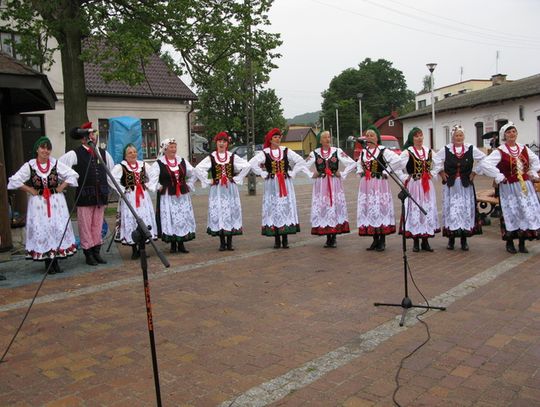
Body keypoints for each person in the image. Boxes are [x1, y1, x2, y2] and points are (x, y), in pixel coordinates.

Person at [8, 137, 78, 273]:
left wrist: (61, 187)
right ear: (37, 149)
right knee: (44, 228)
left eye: (48, 148)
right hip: (39, 203)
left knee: (56, 228)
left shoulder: (55, 164)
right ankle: (48, 262)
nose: (46, 151)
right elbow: (14, 180)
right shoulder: (30, 165)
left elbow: (72, 175)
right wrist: (29, 189)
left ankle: (55, 259)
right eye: (43, 147)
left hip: (56, 202)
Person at [477, 122, 540, 253]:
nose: (512, 134)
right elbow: (485, 164)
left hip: (524, 186)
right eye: (509, 132)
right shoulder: (500, 151)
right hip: (509, 187)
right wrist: (498, 175)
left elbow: (535, 160)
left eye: (514, 131)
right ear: (504, 135)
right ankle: (510, 242)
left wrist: (532, 173)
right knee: (511, 212)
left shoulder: (523, 148)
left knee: (524, 211)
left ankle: (522, 243)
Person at [59, 122, 114, 266]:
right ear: (83, 138)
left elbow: (111, 173)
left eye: (94, 135)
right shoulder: (74, 154)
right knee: (85, 226)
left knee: (97, 224)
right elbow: (59, 168)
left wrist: (114, 189)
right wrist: (63, 185)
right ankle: (88, 253)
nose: (93, 137)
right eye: (90, 135)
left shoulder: (103, 153)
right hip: (84, 196)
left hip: (100, 195)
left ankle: (96, 252)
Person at [248, 128, 309, 249]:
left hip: (285, 183)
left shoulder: (286, 151)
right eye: (275, 137)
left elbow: (300, 161)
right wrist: (262, 173)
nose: (278, 139)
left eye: (279, 137)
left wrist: (293, 172)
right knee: (274, 207)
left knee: (285, 207)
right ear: (270, 139)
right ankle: (276, 239)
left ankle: (285, 239)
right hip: (272, 184)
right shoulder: (265, 152)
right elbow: (251, 163)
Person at [433, 125, 486, 251]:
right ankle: (451, 239)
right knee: (452, 210)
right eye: (456, 135)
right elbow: (434, 160)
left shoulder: (470, 148)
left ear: (464, 136)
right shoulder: (446, 149)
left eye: (461, 135)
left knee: (464, 210)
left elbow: (484, 159)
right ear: (452, 136)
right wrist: (441, 172)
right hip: (451, 186)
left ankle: (464, 239)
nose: (459, 137)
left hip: (465, 185)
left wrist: (475, 172)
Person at [195, 132, 250, 251]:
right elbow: (198, 168)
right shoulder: (212, 157)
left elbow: (246, 166)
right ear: (216, 142)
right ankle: (221, 242)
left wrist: (237, 178)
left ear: (227, 144)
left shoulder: (232, 156)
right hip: (218, 188)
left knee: (230, 211)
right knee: (219, 211)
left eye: (224, 141)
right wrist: (208, 180)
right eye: (220, 141)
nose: (222, 143)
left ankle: (229, 242)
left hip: (230, 188)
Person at [354, 126, 402, 251]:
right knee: (370, 209)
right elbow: (359, 163)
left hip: (380, 184)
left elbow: (398, 160)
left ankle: (382, 240)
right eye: (367, 135)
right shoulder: (364, 152)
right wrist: (360, 172)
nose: (369, 138)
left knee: (380, 208)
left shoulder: (383, 150)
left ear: (377, 138)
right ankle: (374, 239)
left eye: (372, 135)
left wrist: (387, 171)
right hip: (367, 184)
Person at [305, 130, 355, 248]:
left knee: (334, 206)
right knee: (324, 207)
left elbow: (352, 163)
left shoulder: (337, 151)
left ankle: (334, 236)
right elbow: (302, 165)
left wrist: (342, 173)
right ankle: (328, 235)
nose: (328, 139)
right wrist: (312, 174)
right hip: (321, 184)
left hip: (334, 183)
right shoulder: (315, 153)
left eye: (329, 137)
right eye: (325, 137)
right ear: (320, 141)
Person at [148, 138, 197, 253]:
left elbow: (194, 173)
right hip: (168, 196)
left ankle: (181, 243)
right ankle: (173, 244)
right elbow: (152, 179)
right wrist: (158, 186)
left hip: (182, 196)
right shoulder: (159, 163)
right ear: (165, 149)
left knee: (182, 217)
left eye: (175, 147)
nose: (174, 149)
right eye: (171, 147)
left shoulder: (182, 161)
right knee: (171, 218)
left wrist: (189, 184)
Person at [111, 144, 158, 259]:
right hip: (129, 196)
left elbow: (154, 174)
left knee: (144, 218)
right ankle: (134, 249)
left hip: (143, 197)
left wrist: (148, 185)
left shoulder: (143, 165)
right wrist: (122, 190)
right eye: (130, 152)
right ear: (125, 155)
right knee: (131, 219)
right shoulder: (121, 167)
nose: (133, 154)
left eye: (134, 152)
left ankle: (142, 248)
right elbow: (111, 179)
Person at [398, 127, 440, 252]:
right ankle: (416, 240)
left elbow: (439, 162)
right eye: (416, 136)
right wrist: (405, 177)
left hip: (426, 185)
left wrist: (432, 173)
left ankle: (425, 240)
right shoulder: (407, 152)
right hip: (414, 185)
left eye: (421, 135)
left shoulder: (429, 151)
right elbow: (396, 166)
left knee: (426, 209)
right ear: (412, 139)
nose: (419, 138)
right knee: (415, 208)